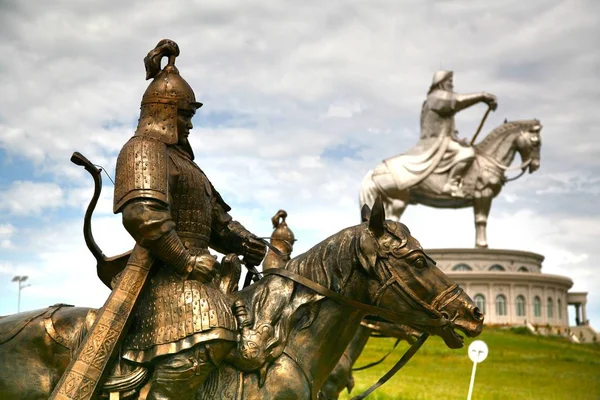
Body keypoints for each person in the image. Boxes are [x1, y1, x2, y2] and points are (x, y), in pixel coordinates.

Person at [112, 39, 266, 400]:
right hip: (165, 273)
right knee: (208, 332)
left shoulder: (188, 166)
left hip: (200, 274)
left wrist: (246, 242)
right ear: (163, 113)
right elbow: (143, 216)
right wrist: (185, 259)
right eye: (185, 115)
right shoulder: (143, 150)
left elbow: (217, 223)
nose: (190, 125)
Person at [419, 70, 498, 197]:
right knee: (468, 153)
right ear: (441, 83)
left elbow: (447, 127)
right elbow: (458, 101)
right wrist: (482, 96)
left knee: (467, 149)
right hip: (435, 141)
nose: (451, 84)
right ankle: (451, 184)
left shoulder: (439, 97)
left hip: (444, 139)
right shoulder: (436, 96)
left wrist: (457, 140)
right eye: (449, 81)